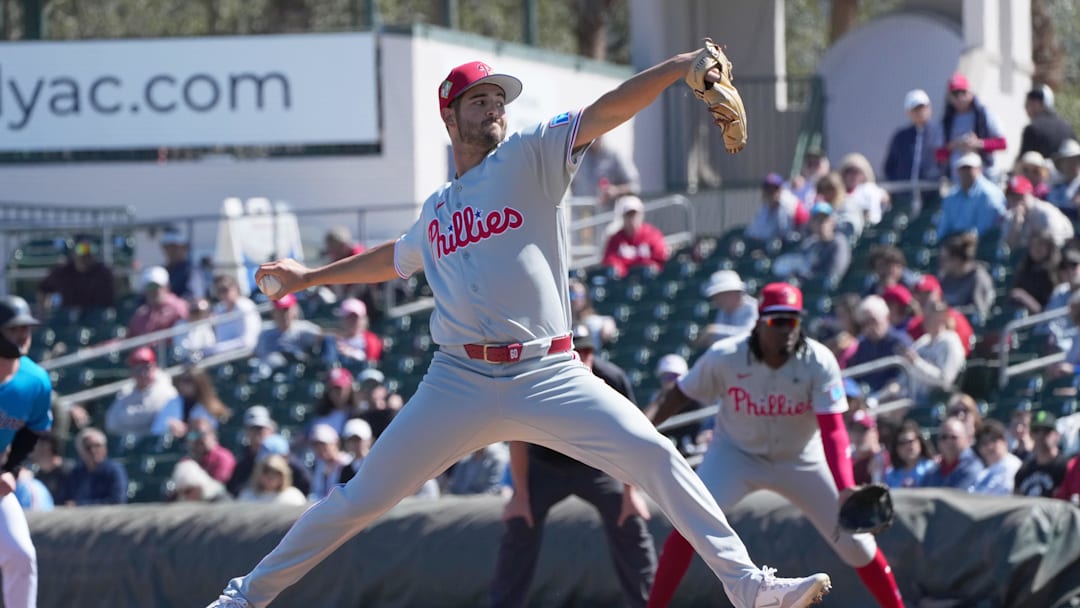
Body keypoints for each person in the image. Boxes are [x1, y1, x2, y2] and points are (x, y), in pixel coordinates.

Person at [207, 53, 831, 608]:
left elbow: (603, 110)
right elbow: (391, 259)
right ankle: (243, 598)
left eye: (499, 99)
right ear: (450, 119)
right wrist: (310, 277)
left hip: (548, 371)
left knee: (656, 456)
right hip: (458, 378)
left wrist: (675, 71)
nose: (494, 108)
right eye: (479, 100)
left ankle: (747, 584)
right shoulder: (438, 210)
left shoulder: (531, 155)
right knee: (356, 499)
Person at [645, 283, 903, 608]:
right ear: (758, 322)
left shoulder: (818, 361)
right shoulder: (726, 355)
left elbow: (833, 430)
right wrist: (640, 428)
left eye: (792, 320)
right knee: (688, 526)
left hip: (800, 459)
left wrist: (845, 487)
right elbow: (679, 393)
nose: (785, 329)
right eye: (776, 321)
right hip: (735, 456)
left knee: (858, 545)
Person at [490, 324, 656, 608]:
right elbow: (516, 437)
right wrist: (520, 495)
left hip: (598, 465)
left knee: (629, 518)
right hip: (545, 465)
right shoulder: (537, 380)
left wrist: (631, 492)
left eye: (588, 350)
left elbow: (631, 438)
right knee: (520, 521)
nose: (583, 356)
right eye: (576, 350)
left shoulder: (611, 378)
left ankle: (652, 603)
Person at [0, 295, 53, 608]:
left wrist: (11, 469)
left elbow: (32, 432)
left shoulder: (35, 381)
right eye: (13, 329)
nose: (22, 335)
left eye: (26, 328)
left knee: (20, 554)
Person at [937, 73, 1007, 182]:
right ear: (950, 97)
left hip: (985, 175)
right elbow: (939, 155)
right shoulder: (946, 121)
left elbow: (1002, 144)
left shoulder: (984, 115)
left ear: (970, 93)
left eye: (963, 93)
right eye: (955, 94)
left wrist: (979, 143)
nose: (960, 98)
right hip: (957, 178)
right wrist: (954, 145)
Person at [105, 347, 178, 439]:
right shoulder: (126, 391)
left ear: (154, 366)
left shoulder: (167, 391)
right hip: (130, 443)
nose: (143, 373)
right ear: (131, 371)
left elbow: (155, 421)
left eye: (147, 368)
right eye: (138, 369)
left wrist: (128, 417)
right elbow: (111, 424)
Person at [35, 235, 116, 316]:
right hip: (67, 318)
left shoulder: (103, 272)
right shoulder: (63, 271)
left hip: (95, 317)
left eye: (89, 251)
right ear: (73, 253)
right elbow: (43, 289)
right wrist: (44, 312)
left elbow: (109, 303)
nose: (85, 257)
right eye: (81, 250)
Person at [936, 152, 1006, 240]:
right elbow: (944, 227)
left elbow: (984, 231)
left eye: (969, 168)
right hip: (954, 246)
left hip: (979, 246)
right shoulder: (951, 196)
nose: (965, 172)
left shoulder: (989, 194)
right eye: (963, 168)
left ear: (979, 169)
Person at [883, 88, 944, 183]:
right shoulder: (900, 137)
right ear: (908, 112)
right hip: (905, 194)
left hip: (931, 192)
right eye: (916, 109)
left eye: (923, 107)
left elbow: (943, 159)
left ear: (929, 108)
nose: (920, 112)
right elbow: (889, 166)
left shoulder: (940, 133)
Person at [601, 195, 670, 278]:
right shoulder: (616, 239)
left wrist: (644, 266)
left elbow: (660, 257)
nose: (632, 219)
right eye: (628, 215)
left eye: (634, 215)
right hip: (625, 281)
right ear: (623, 217)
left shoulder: (652, 234)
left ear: (641, 215)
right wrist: (624, 270)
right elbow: (609, 260)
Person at [151, 366, 230, 438]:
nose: (183, 384)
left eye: (188, 381)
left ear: (199, 383)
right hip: (177, 449)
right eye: (182, 380)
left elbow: (209, 434)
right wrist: (168, 428)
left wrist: (186, 432)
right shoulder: (173, 402)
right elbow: (155, 431)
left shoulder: (209, 406)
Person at [253, 293, 328, 369]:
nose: (284, 314)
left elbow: (325, 337)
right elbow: (257, 355)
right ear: (273, 312)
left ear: (294, 309)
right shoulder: (265, 333)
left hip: (295, 371)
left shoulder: (303, 328)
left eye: (286, 310)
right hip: (268, 372)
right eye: (280, 310)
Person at [1002, 175, 1073, 250]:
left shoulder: (1045, 213)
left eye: (1020, 197)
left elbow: (1056, 244)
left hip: (1061, 253)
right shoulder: (1010, 217)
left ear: (1030, 194)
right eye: (1012, 197)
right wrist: (1016, 226)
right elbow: (1008, 248)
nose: (1017, 201)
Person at [570, 134, 641, 209]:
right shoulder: (577, 155)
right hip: (580, 217)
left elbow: (635, 186)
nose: (594, 137)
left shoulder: (614, 156)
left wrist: (616, 190)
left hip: (605, 216)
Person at [63, 427, 128, 506]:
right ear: (80, 451)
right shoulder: (76, 472)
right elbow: (68, 499)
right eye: (88, 447)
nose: (93, 451)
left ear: (105, 448)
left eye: (97, 446)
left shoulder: (114, 470)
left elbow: (118, 501)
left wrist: (80, 505)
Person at [919, 417, 984, 491]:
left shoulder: (973, 467)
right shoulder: (932, 472)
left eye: (954, 437)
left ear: (966, 440)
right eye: (944, 437)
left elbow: (956, 496)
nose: (948, 442)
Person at [1014, 411, 1068, 498]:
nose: (1040, 435)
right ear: (1031, 435)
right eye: (1036, 431)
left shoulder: (1065, 467)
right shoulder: (1024, 470)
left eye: (1046, 431)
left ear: (1057, 435)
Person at [127, 266, 190, 339]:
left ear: (166, 287)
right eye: (149, 287)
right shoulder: (140, 315)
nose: (153, 291)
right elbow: (130, 337)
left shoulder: (179, 307)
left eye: (156, 286)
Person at [696, 270, 757, 347]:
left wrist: (716, 330)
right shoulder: (723, 311)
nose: (717, 300)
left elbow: (749, 334)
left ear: (732, 292)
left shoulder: (753, 308)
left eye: (720, 295)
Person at [207, 274, 262, 355]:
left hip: (248, 356)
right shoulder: (219, 309)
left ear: (236, 288)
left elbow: (248, 342)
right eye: (219, 291)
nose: (222, 294)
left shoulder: (245, 306)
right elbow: (220, 340)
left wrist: (217, 349)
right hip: (225, 357)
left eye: (225, 289)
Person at [797, 202, 850, 286]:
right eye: (817, 220)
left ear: (832, 222)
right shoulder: (811, 244)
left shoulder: (839, 242)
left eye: (824, 220)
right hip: (811, 287)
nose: (821, 224)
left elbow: (834, 274)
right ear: (811, 223)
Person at [1018, 85, 1076, 160]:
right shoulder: (1068, 127)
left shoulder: (1032, 129)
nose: (1026, 108)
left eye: (1028, 104)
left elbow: (1023, 161)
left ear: (1037, 104)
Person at [326, 298, 383, 371]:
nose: (352, 321)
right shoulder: (332, 340)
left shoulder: (372, 340)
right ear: (342, 319)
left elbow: (372, 364)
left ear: (364, 320)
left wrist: (355, 354)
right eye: (349, 318)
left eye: (356, 318)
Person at [744, 173, 802, 243]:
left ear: (780, 190)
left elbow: (785, 234)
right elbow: (753, 231)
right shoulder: (764, 208)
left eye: (774, 189)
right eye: (768, 189)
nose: (771, 193)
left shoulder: (787, 208)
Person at [972, 420, 1023, 495]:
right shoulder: (982, 474)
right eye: (984, 443)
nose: (989, 447)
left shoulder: (1013, 466)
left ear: (1004, 441)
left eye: (993, 440)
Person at [238, 454, 308, 506]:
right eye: (266, 472)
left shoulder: (293, 497)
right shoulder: (247, 496)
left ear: (283, 476)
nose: (270, 477)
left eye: (276, 473)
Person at [883, 420, 936, 489]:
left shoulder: (932, 469)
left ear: (920, 441)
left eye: (911, 441)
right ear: (896, 448)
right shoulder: (890, 475)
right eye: (902, 443)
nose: (907, 446)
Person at [160, 228, 207, 300]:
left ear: (184, 248)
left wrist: (172, 305)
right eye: (168, 247)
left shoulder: (192, 270)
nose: (171, 251)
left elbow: (194, 296)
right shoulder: (162, 270)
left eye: (175, 247)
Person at [1049, 139, 1080, 218]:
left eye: (1076, 160)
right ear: (1061, 165)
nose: (1072, 164)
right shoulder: (1056, 189)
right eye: (1068, 161)